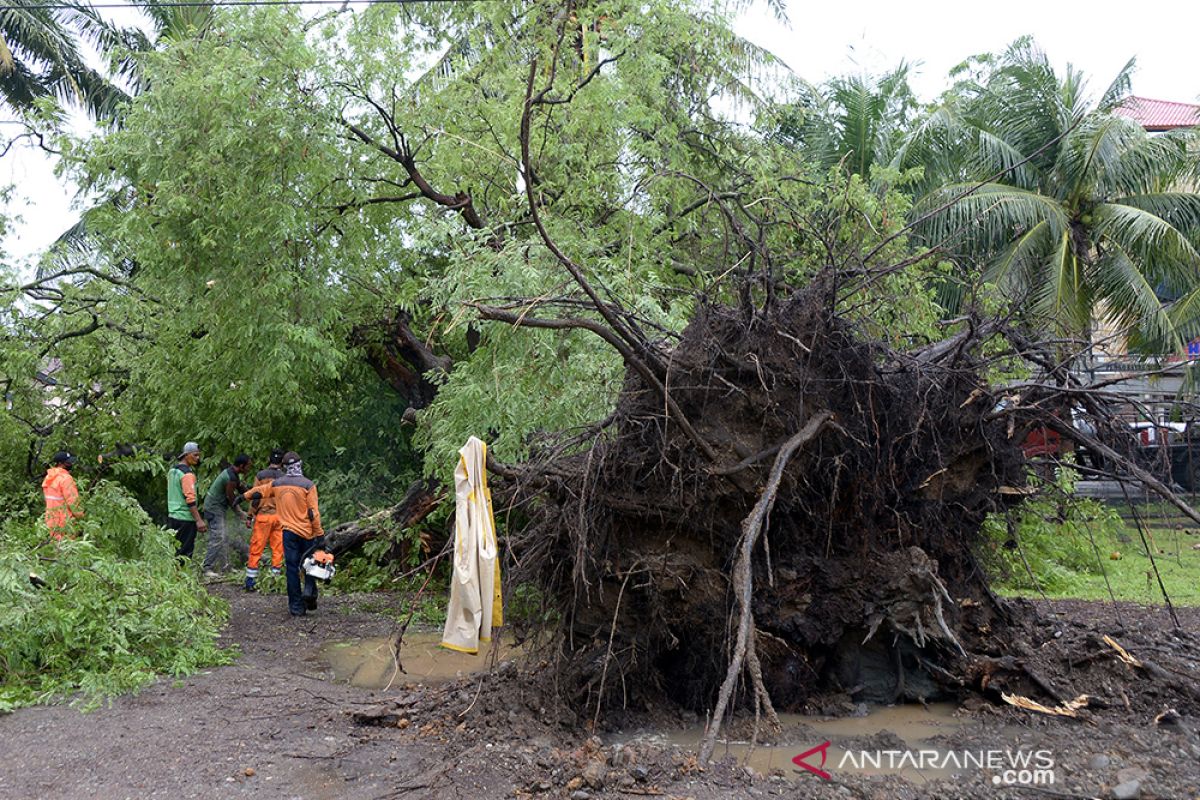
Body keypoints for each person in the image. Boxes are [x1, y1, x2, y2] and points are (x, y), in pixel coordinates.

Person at [243, 451, 324, 616]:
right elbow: (313, 513)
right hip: (307, 533)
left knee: (292, 568)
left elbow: (260, 491)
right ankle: (309, 591)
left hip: (288, 532)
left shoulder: (278, 483)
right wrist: (319, 533)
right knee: (309, 563)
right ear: (300, 465)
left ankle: (296, 607)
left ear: (285, 467)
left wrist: (244, 496)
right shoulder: (308, 485)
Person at [201, 453, 253, 577]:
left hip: (217, 507)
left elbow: (243, 491)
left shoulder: (234, 474)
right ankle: (207, 568)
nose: (249, 469)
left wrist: (256, 494)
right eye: (248, 466)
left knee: (223, 537)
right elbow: (231, 499)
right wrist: (240, 513)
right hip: (214, 508)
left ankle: (226, 567)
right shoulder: (231, 478)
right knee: (218, 536)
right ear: (241, 466)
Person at [243, 449, 286, 592]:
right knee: (278, 549)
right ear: (281, 462)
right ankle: (275, 581)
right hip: (279, 517)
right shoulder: (285, 477)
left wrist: (250, 515)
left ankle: (251, 581)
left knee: (256, 548)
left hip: (263, 517)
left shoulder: (261, 475)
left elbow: (256, 497)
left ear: (269, 460)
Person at [166, 442, 207, 560]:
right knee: (185, 553)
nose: (198, 458)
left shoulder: (172, 471)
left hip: (173, 516)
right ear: (186, 455)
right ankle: (182, 576)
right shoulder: (187, 474)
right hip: (185, 518)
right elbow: (190, 499)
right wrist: (199, 520)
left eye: (198, 455)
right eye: (195, 455)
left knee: (175, 550)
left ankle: (174, 576)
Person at [42, 451, 83, 538]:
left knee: (54, 548)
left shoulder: (48, 477)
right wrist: (82, 517)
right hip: (65, 523)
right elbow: (73, 503)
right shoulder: (66, 479)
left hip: (51, 521)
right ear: (60, 463)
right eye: (68, 462)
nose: (71, 463)